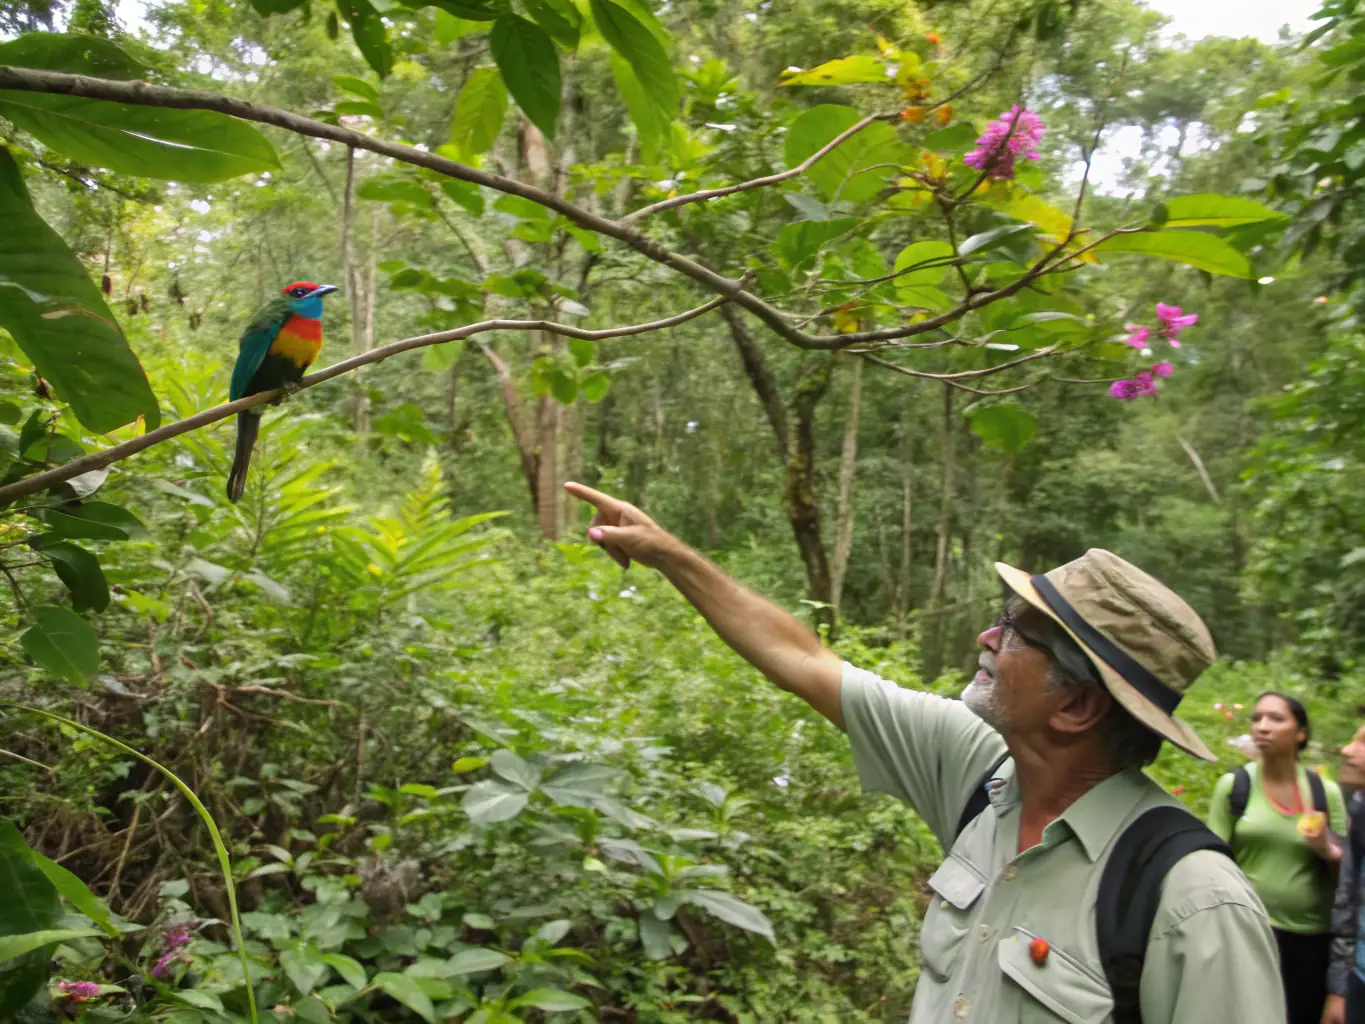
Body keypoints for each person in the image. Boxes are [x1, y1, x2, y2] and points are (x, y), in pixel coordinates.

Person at [565, 482, 1284, 1023]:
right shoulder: (980, 770)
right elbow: (802, 658)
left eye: (1013, 632)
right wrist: (668, 555)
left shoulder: (1190, 899)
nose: (985, 638)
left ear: (1075, 707)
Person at [1206, 694, 1347, 1024]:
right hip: (1248, 931)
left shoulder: (1326, 793)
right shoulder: (1235, 787)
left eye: (1276, 719)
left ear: (1300, 733)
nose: (1262, 727)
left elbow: (1350, 878)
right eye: (1256, 719)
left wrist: (1326, 848)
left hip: (1310, 938)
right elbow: (1211, 863)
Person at [1324, 723, 1365, 1024]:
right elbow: (1348, 899)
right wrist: (1339, 989)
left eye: (1362, 743)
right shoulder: (1359, 809)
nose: (1346, 750)